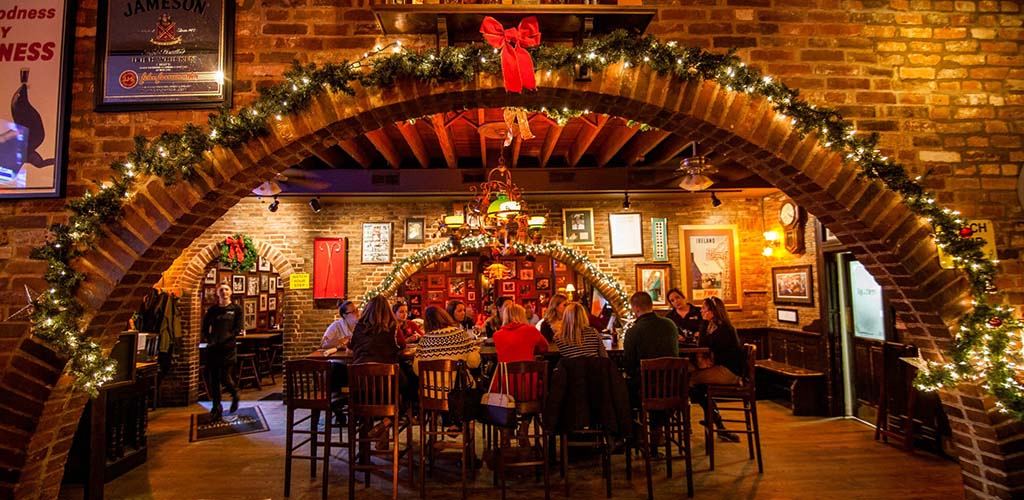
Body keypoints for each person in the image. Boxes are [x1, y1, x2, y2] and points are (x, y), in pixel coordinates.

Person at [690, 296, 744, 442]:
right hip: (721, 368)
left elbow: (704, 343)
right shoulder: (713, 326)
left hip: (729, 372)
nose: (701, 311)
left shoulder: (724, 329)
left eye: (704, 308)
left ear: (713, 311)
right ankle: (717, 421)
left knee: (687, 380)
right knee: (697, 385)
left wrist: (701, 328)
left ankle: (714, 420)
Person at [622, 291, 679, 397]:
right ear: (651, 305)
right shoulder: (670, 325)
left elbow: (629, 365)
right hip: (672, 385)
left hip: (646, 387)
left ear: (635, 308)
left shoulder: (633, 331)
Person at [201, 284, 242, 420]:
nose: (224, 292)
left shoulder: (236, 309)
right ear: (217, 293)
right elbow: (205, 327)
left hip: (228, 348)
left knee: (224, 377)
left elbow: (238, 328)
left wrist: (228, 338)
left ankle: (234, 393)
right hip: (214, 348)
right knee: (214, 380)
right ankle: (216, 408)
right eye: (221, 290)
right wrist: (209, 339)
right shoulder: (213, 310)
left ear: (230, 292)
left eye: (226, 289)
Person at [413, 306, 481, 375]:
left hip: (430, 385)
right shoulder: (462, 334)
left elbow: (417, 370)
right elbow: (474, 363)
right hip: (458, 384)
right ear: (445, 316)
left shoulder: (424, 340)